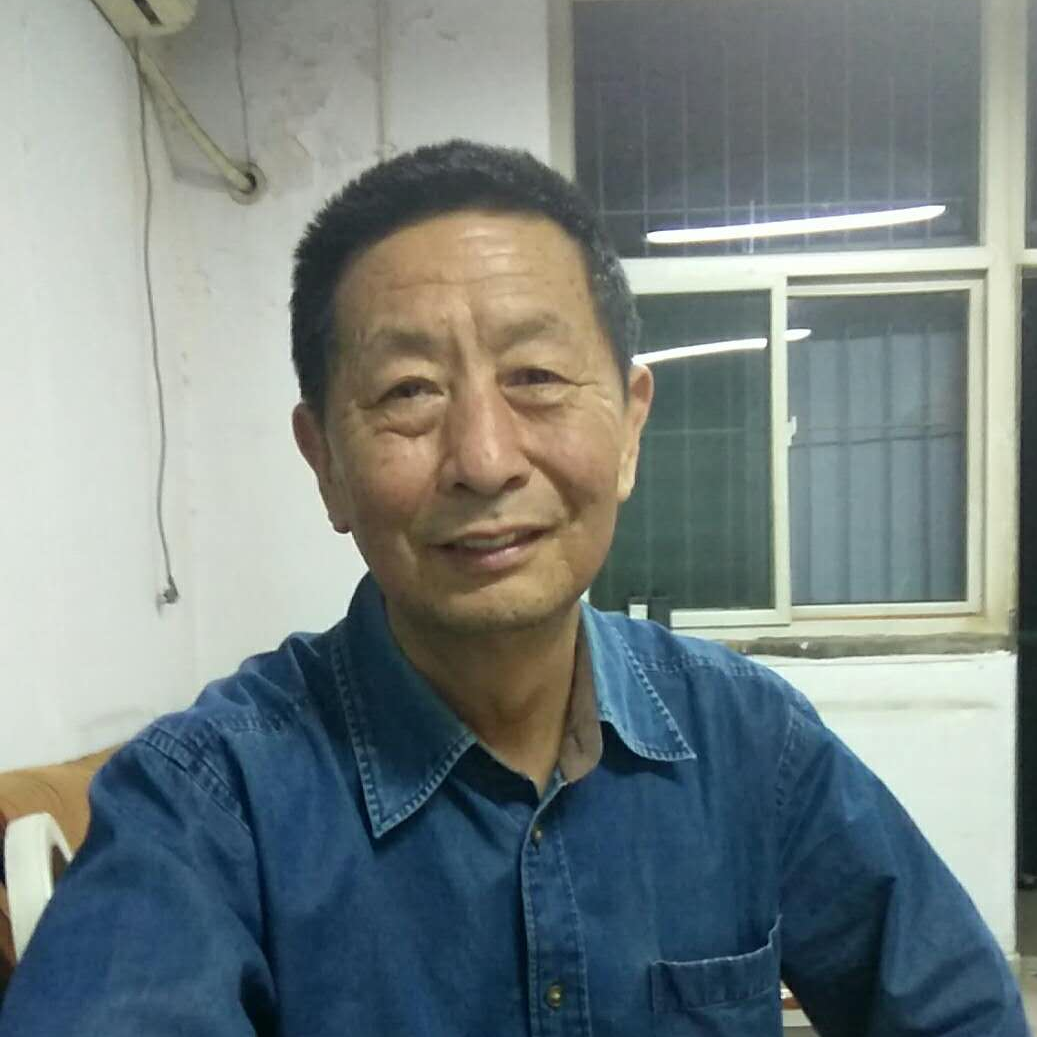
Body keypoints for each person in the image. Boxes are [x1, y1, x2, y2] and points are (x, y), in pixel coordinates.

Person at [0, 139, 1028, 1036]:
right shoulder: (209, 797)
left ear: (628, 426)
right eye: (408, 390)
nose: (484, 459)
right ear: (326, 465)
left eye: (535, 376)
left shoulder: (750, 743)